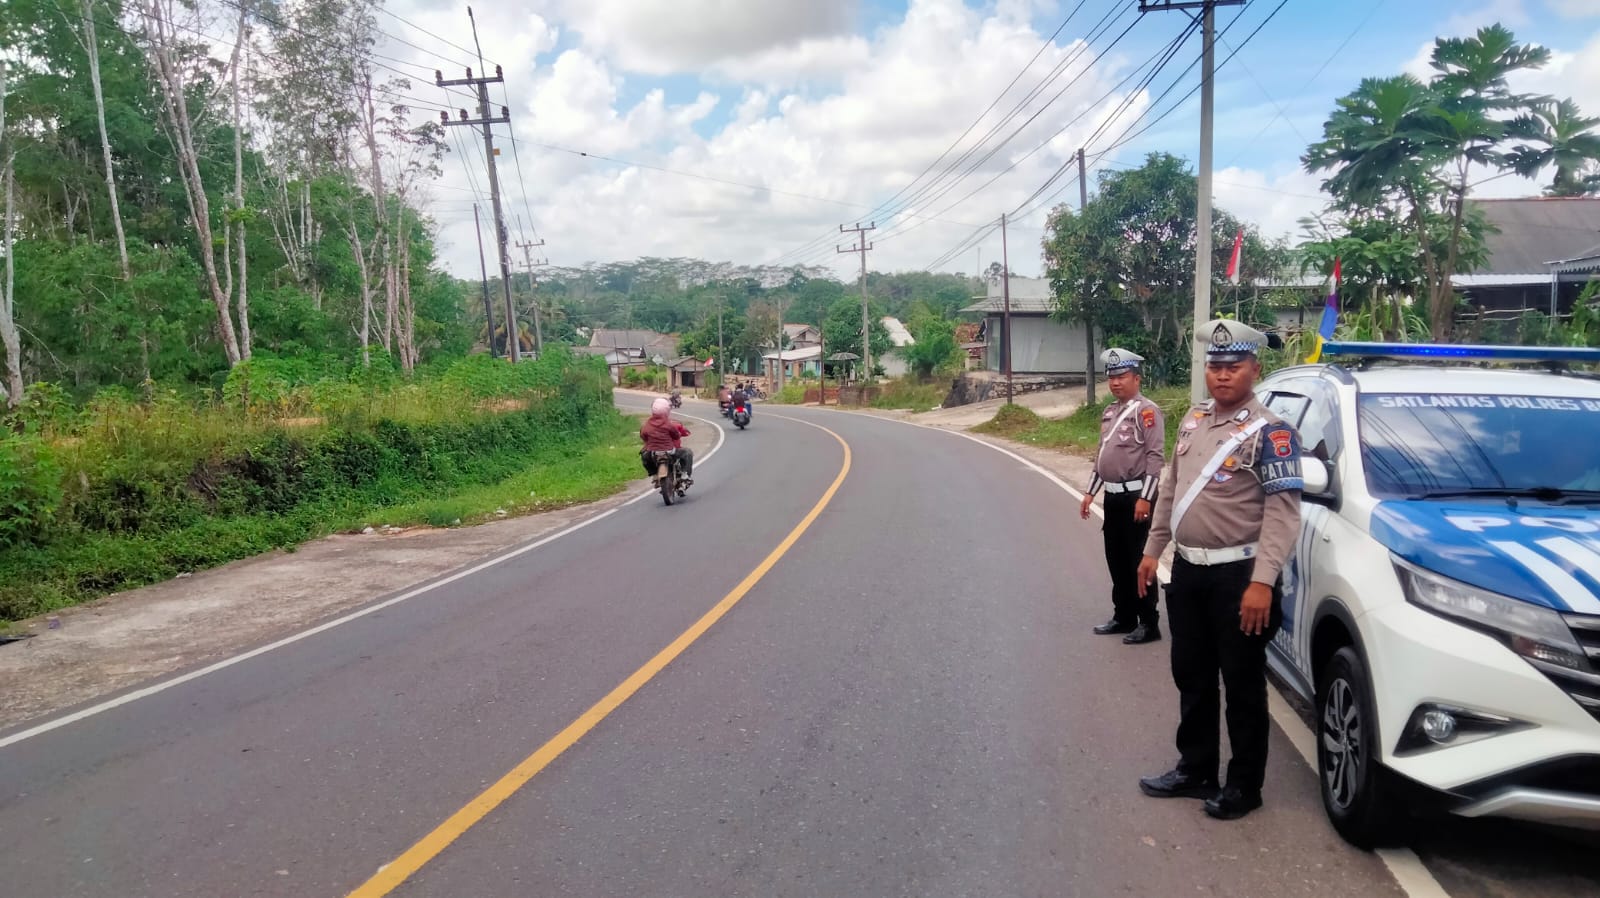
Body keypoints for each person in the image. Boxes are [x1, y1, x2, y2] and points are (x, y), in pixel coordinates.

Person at [1135, 320, 1302, 822]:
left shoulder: (1272, 433)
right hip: (1188, 573)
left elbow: (1283, 514)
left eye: (1233, 367)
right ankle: (1196, 768)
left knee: (1243, 684)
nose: (1222, 375)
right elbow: (1170, 489)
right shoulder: (1192, 421)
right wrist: (1152, 550)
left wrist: (1262, 582)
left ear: (1255, 368)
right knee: (1192, 674)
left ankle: (1244, 785)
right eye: (1215, 366)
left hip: (1239, 578)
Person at [1082, 348, 1166, 644]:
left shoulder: (1146, 411)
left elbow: (1155, 458)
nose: (1116, 382)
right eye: (1112, 377)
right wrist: (1090, 493)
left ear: (1136, 378)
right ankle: (1124, 616)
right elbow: (1101, 455)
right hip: (1113, 498)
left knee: (1137, 560)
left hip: (1136, 498)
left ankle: (1148, 622)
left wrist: (1145, 498)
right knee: (1116, 559)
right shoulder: (1110, 412)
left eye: (1122, 376)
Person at [639, 397, 694, 484]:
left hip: (653, 452)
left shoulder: (647, 424)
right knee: (688, 452)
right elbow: (676, 435)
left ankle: (654, 474)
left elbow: (643, 436)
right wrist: (677, 435)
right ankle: (685, 474)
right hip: (669, 451)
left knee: (644, 456)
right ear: (666, 410)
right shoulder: (668, 424)